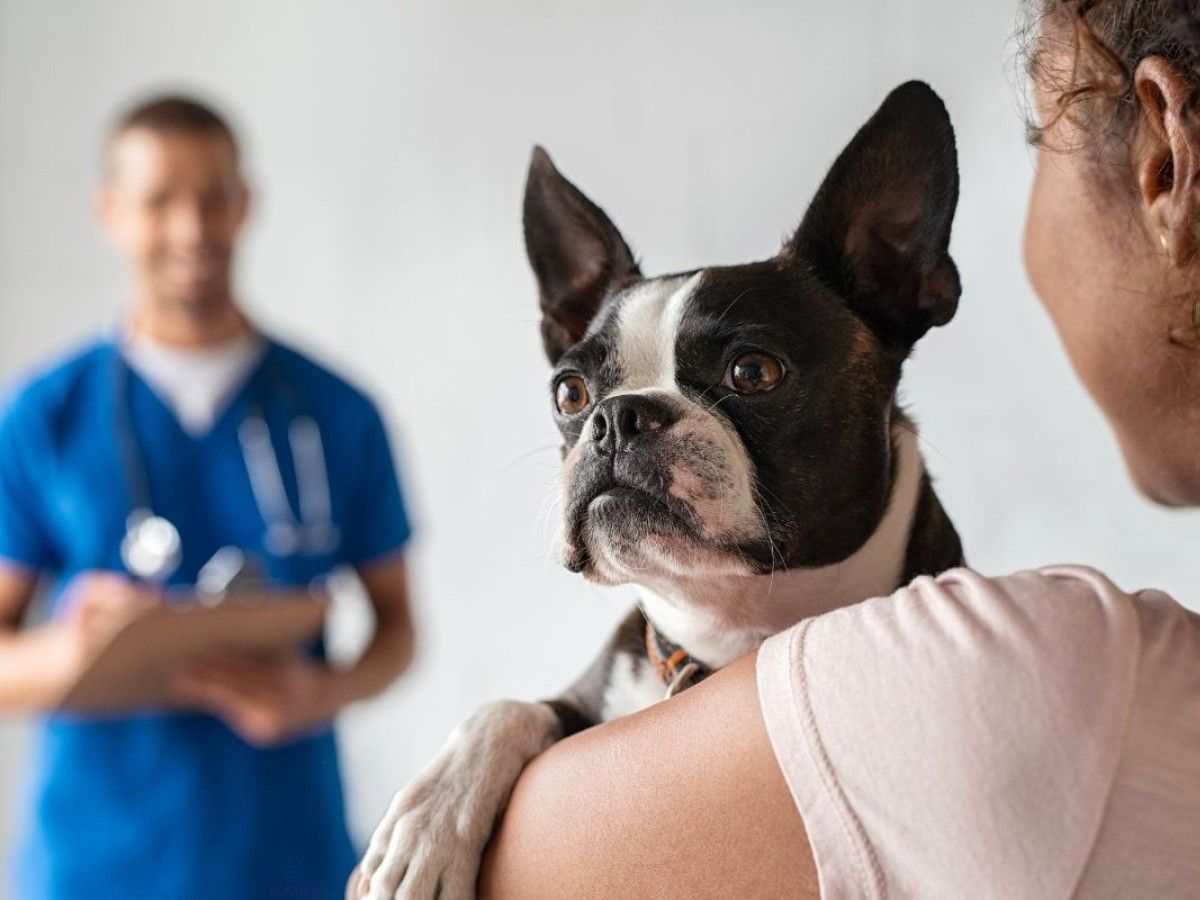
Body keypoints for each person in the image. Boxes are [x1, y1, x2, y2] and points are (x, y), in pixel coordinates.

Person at [476, 2, 1200, 897]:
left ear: (1164, 162)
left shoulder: (998, 668)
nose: (614, 427)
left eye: (749, 373)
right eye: (581, 395)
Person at [0, 95, 417, 899]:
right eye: (161, 201)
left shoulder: (335, 412)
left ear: (246, 204)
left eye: (214, 197)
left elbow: (398, 630)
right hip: (97, 866)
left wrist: (319, 692)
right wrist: (72, 653)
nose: (192, 230)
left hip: (287, 856)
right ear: (111, 213)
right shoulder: (44, 417)